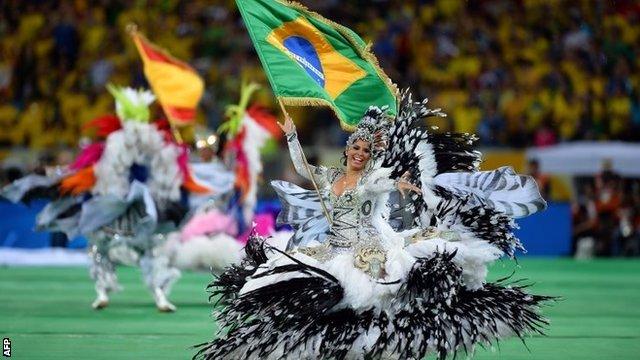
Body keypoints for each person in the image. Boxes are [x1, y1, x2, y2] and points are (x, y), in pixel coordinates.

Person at [195, 91, 551, 360]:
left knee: (370, 300)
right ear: (348, 149)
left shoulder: (371, 179)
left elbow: (384, 182)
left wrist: (400, 184)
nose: (359, 154)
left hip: (369, 250)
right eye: (356, 148)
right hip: (332, 248)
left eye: (366, 150)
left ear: (369, 155)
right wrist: (291, 136)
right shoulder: (331, 175)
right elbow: (304, 169)